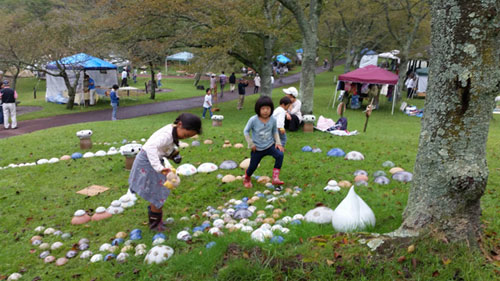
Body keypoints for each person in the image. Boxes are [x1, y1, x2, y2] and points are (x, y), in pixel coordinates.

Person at [129, 113, 201, 231]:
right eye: (186, 135)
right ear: (180, 125)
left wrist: (173, 155)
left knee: (158, 191)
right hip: (147, 162)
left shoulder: (172, 130)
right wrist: (159, 168)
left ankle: (156, 220)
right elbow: (151, 147)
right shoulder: (167, 135)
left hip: (153, 160)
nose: (184, 138)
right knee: (158, 193)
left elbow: (164, 147)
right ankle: (155, 225)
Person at [243, 96, 284, 188]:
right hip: (257, 148)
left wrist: (278, 143)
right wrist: (251, 144)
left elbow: (274, 131)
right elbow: (246, 131)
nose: (265, 111)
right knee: (252, 167)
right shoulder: (253, 120)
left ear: (271, 109)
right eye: (263, 108)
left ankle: (275, 178)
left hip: (269, 146)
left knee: (280, 155)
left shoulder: (273, 119)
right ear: (258, 109)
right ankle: (247, 177)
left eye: (268, 108)